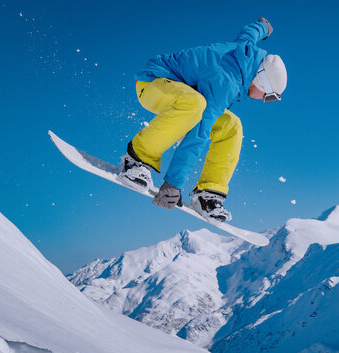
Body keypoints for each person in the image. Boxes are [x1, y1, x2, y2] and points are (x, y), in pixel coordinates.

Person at [117, 18, 287, 222]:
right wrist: (173, 183)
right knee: (196, 104)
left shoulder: (245, 54)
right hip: (153, 82)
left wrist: (263, 27)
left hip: (183, 93)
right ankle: (137, 159)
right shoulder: (226, 82)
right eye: (269, 96)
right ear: (260, 80)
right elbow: (199, 134)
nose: (264, 100)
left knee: (231, 126)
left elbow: (249, 33)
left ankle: (208, 194)